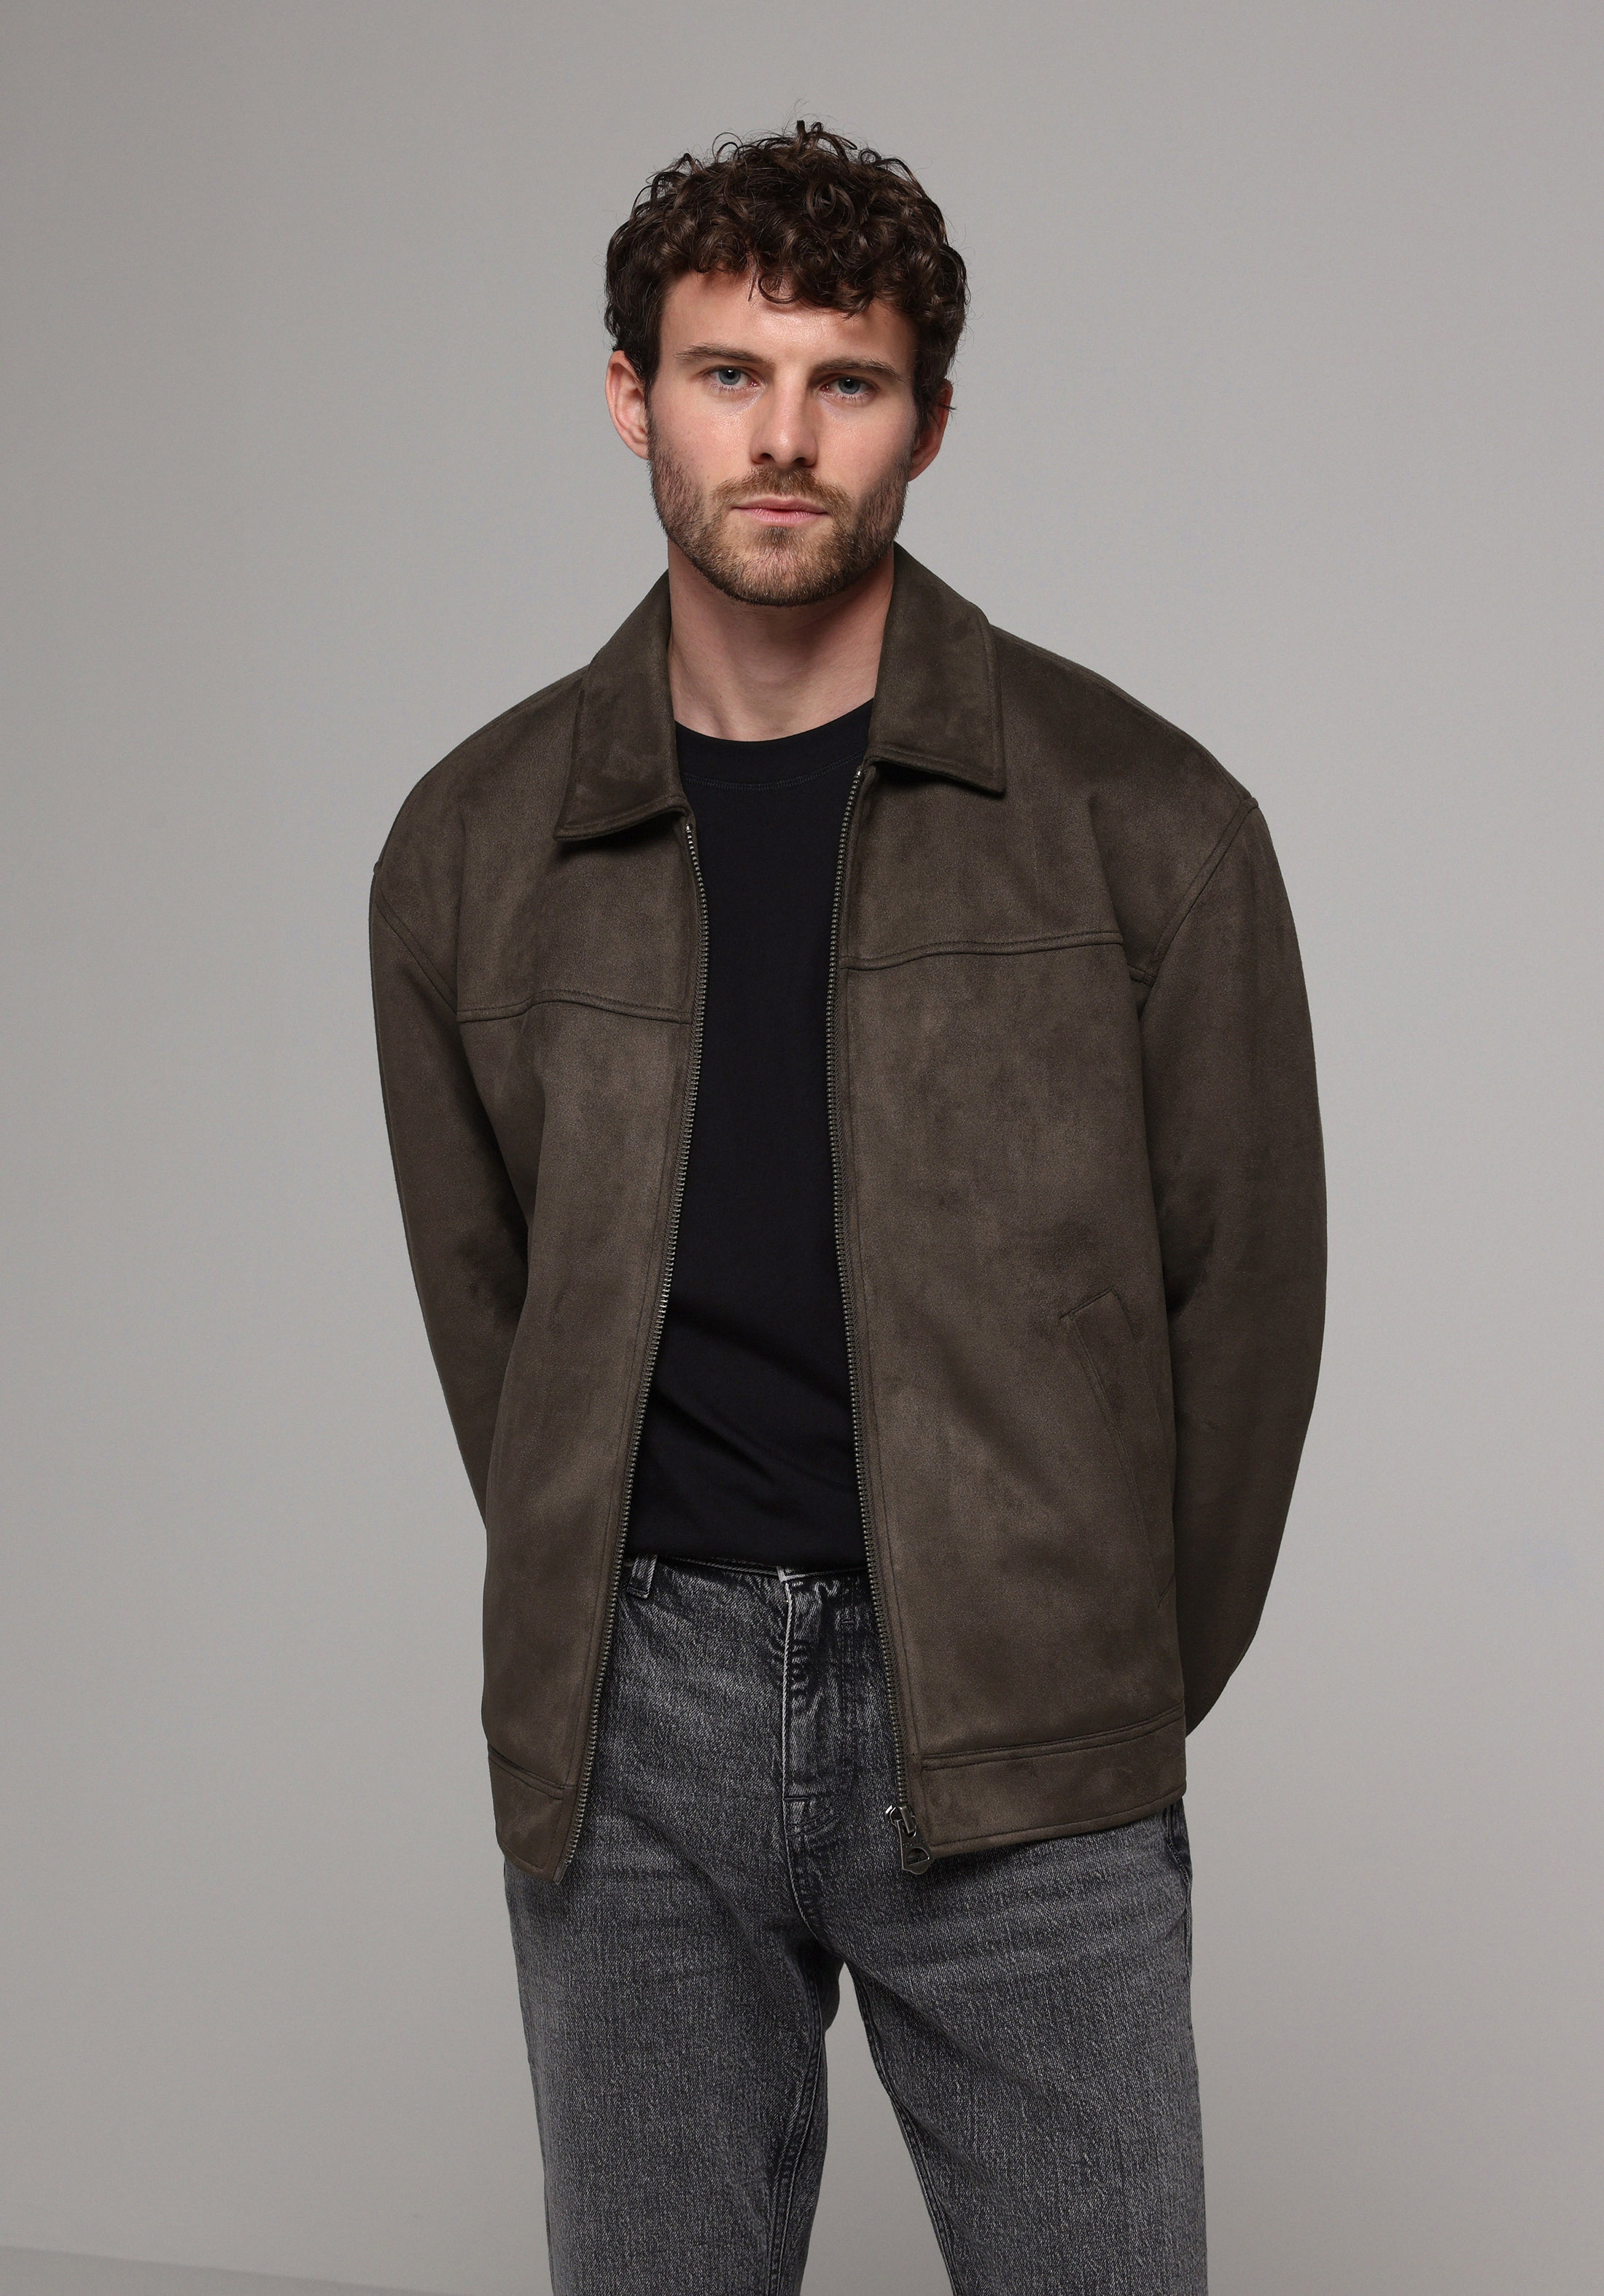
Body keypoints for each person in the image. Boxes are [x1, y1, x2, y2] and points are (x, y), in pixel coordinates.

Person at [369, 122, 1325, 2296]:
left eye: (848, 381)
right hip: (635, 1729)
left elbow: (1247, 1307)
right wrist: (604, 1620)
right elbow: (490, 1315)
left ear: (929, 421)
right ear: (633, 398)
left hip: (1030, 1715)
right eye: (729, 374)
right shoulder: (471, 851)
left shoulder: (1149, 824)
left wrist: (1094, 1674)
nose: (785, 438)